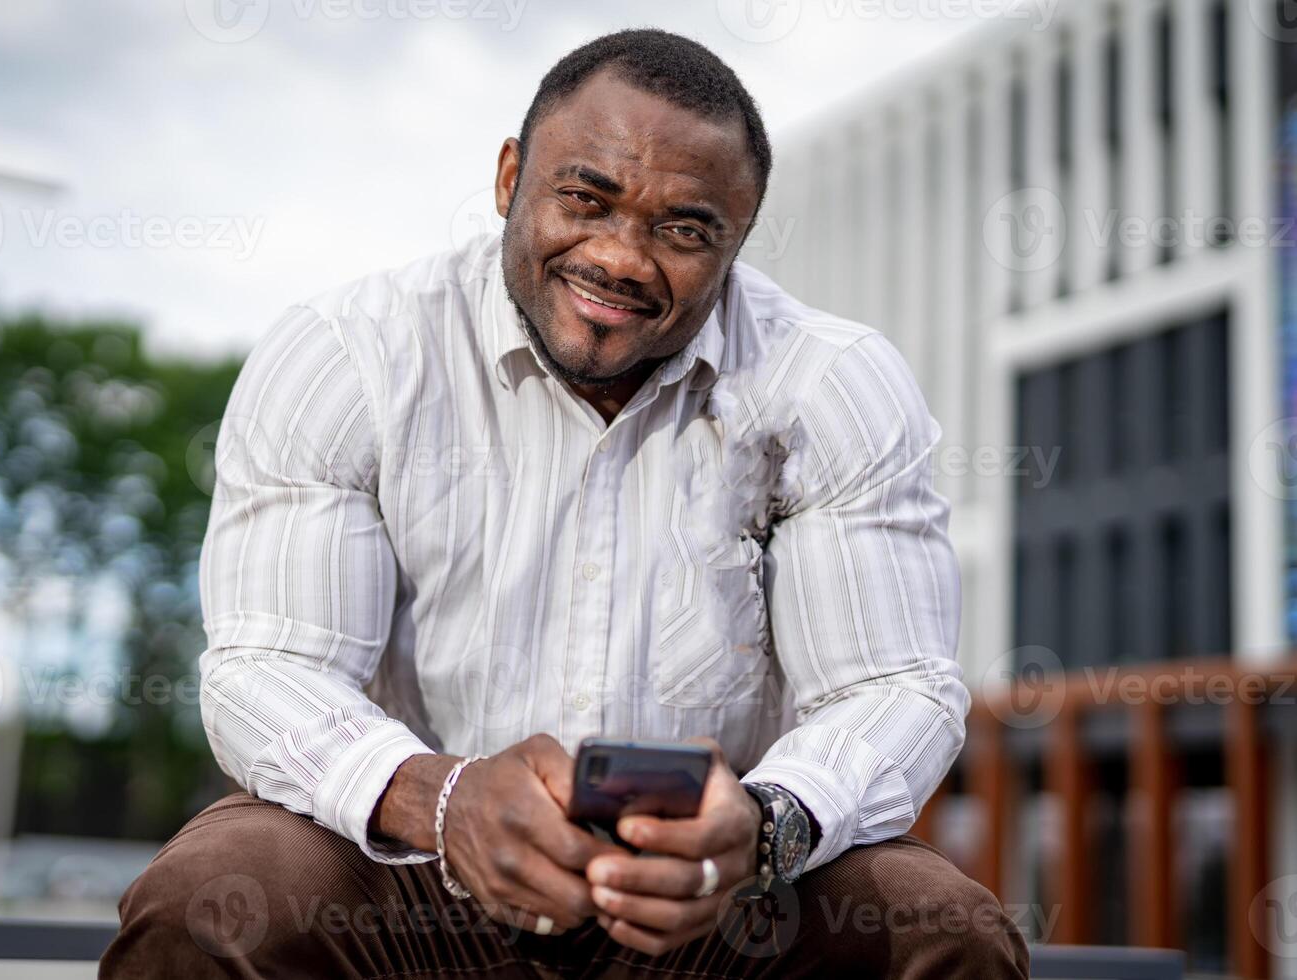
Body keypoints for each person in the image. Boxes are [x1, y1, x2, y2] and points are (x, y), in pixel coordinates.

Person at [101, 28, 1030, 979]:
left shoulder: (833, 384)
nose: (623, 258)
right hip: (411, 868)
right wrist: (443, 799)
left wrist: (760, 828)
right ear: (510, 178)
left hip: (718, 898)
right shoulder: (348, 356)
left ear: (739, 239)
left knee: (938, 928)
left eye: (684, 229)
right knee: (209, 901)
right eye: (586, 199)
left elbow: (896, 688)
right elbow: (265, 668)